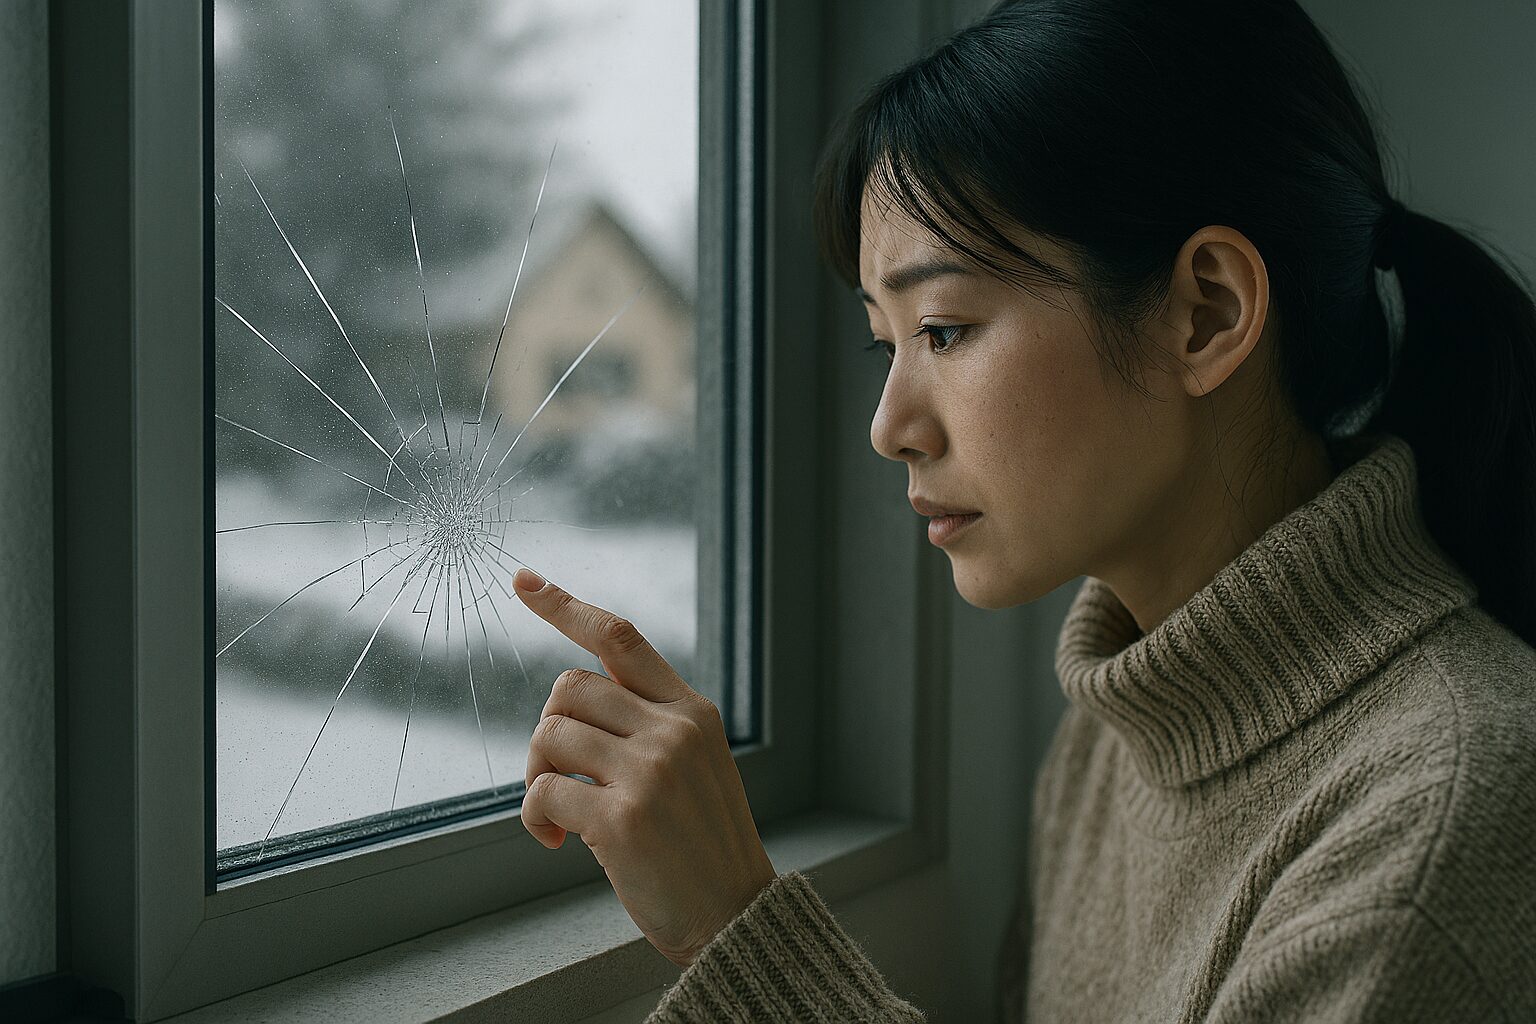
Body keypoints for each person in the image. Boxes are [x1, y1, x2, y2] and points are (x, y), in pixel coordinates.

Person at [512, 0, 1536, 1019]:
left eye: (946, 330)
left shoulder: (1445, 817)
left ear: (1208, 312)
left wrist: (735, 931)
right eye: (887, 341)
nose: (889, 424)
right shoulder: (1111, 740)